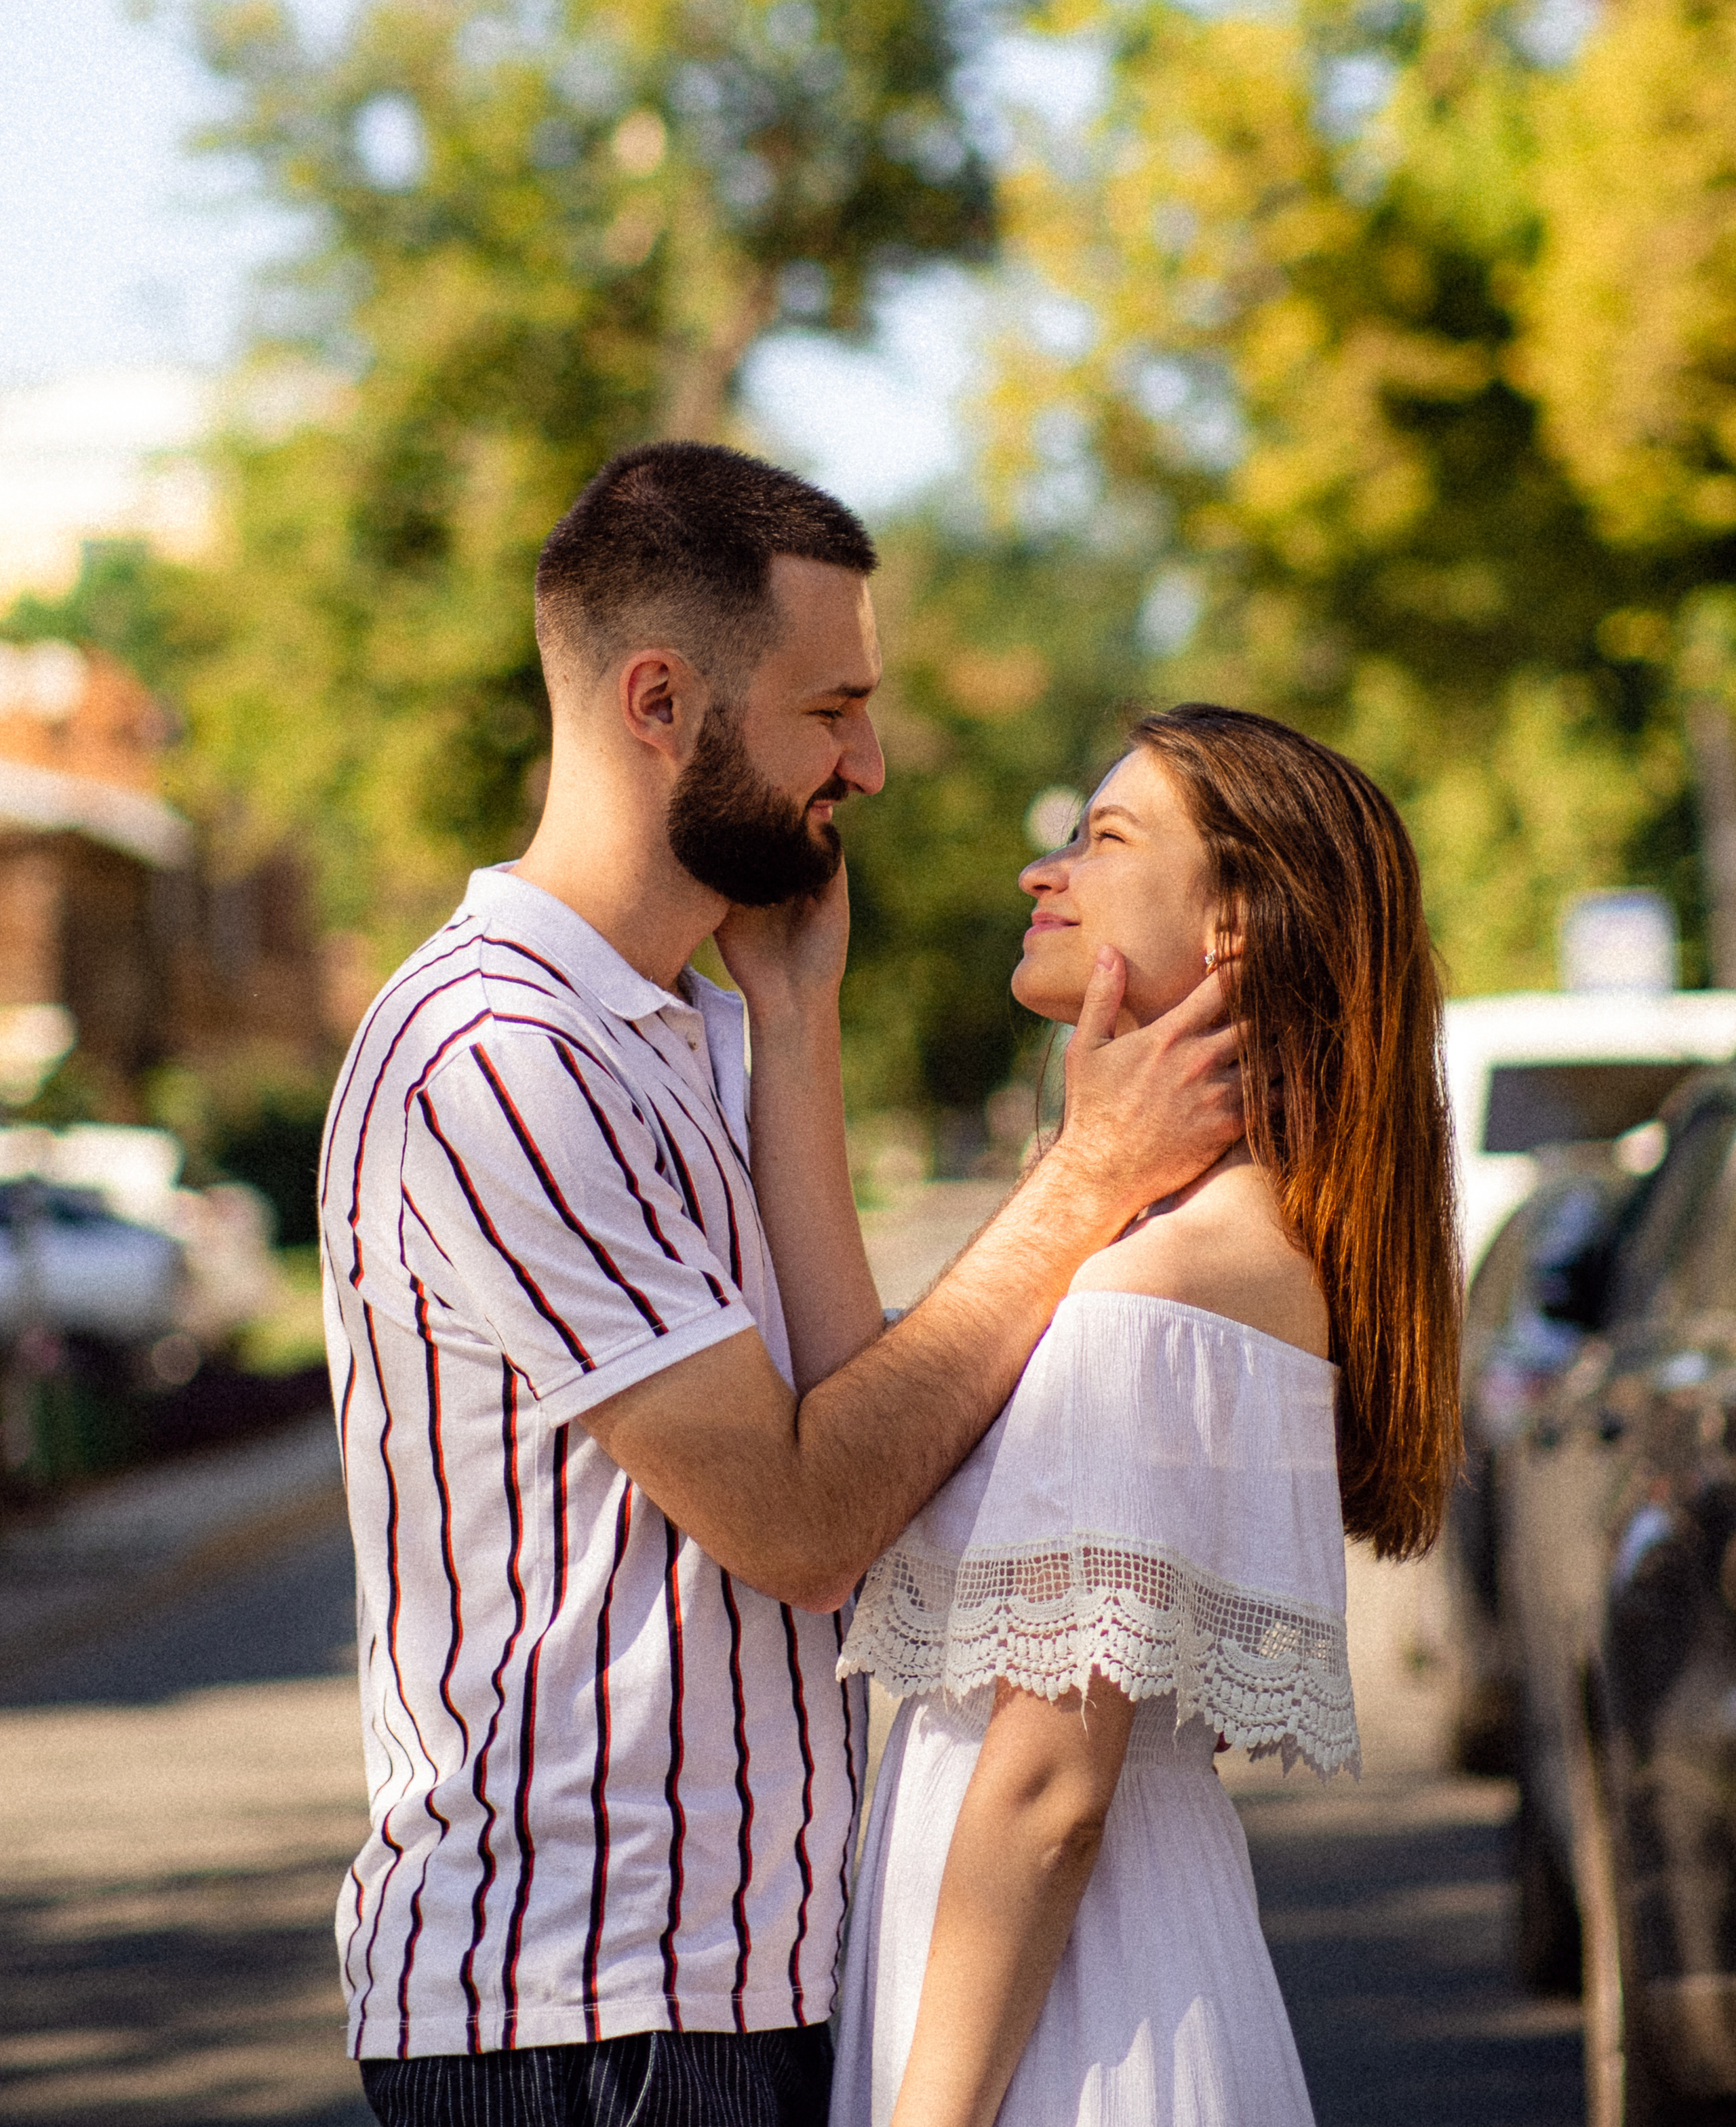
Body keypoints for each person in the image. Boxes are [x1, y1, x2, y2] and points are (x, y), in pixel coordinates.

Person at [322, 443, 1245, 2127]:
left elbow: (865, 1431)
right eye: (832, 711)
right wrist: (1087, 1177)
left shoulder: (695, 1031)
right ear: (660, 701)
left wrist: (799, 1016)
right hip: (589, 2018)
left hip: (750, 1990)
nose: (872, 767)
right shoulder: (497, 1061)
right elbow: (804, 1519)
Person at [832, 703, 1463, 2127]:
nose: (1038, 873)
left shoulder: (1159, 1287)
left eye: (1101, 839)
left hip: (1062, 2030)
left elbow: (1049, 1790)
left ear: (1234, 923)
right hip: (1083, 1978)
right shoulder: (1187, 1244)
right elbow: (854, 1419)